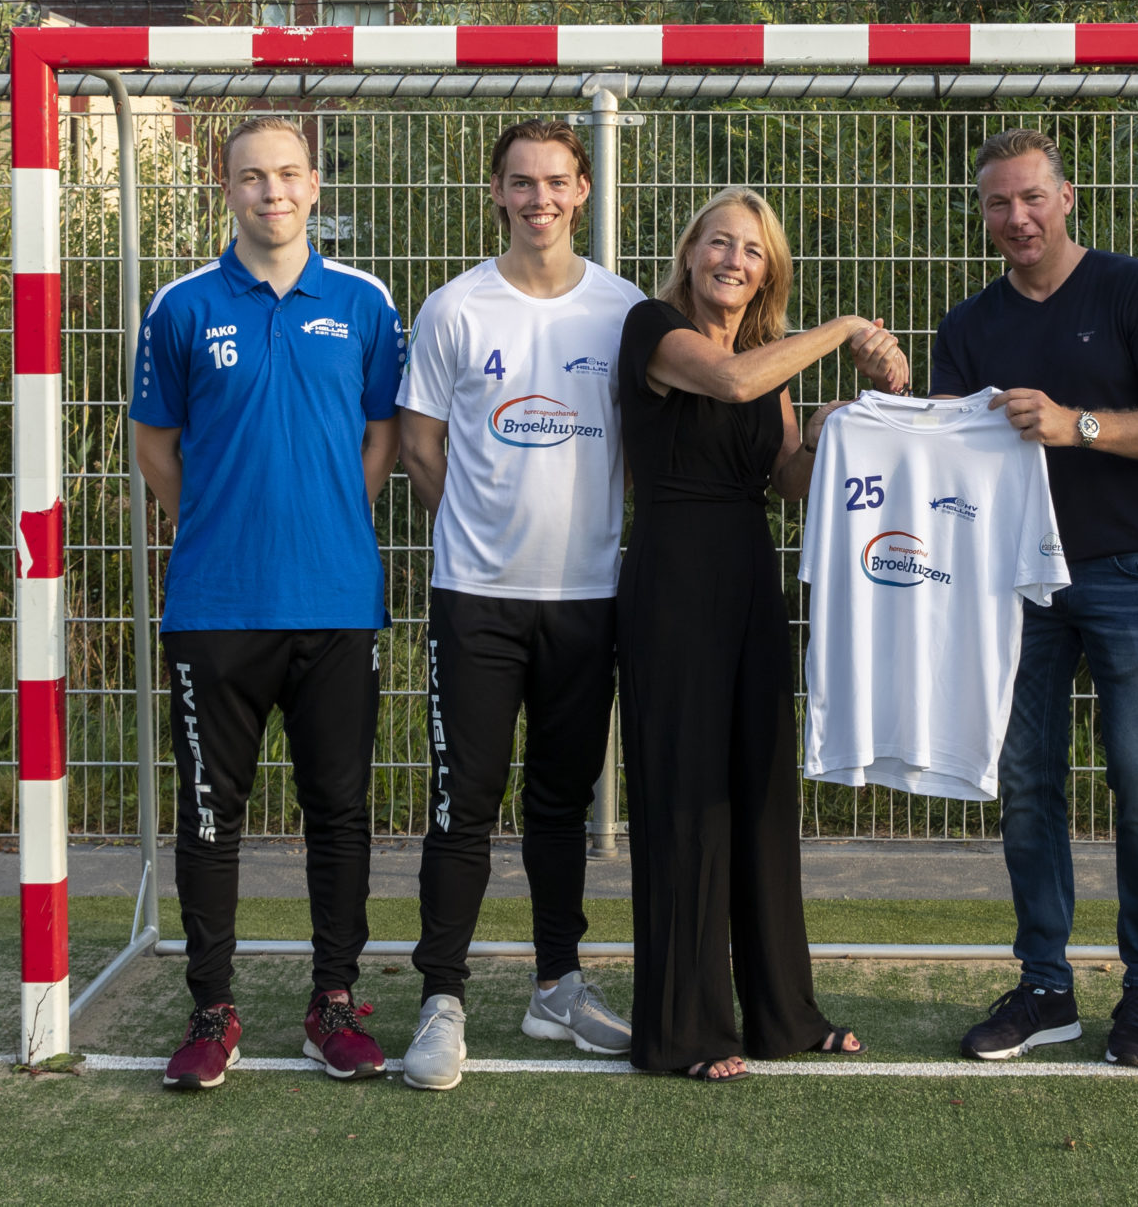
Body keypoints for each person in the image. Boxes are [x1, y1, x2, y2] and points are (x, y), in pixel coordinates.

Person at [131, 113, 406, 1089]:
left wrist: (331, 514)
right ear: (226, 189)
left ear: (316, 183)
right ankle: (211, 1010)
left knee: (338, 808)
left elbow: (382, 436)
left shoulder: (366, 304)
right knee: (212, 816)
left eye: (287, 174)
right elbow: (155, 445)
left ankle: (332, 1004)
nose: (271, 192)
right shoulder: (179, 307)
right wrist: (213, 521)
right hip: (216, 604)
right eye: (252, 177)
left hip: (336, 601)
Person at [930, 129, 1138, 1067]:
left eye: (1031, 198)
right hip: (1015, 582)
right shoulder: (968, 325)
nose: (1017, 217)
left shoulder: (1131, 289)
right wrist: (872, 409)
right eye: (998, 204)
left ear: (1068, 196)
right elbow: (942, 458)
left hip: (1129, 569)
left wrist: (1074, 424)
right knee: (1026, 787)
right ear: (982, 215)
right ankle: (1046, 985)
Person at [614, 186, 906, 1081]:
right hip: (670, 583)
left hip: (747, 579)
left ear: (766, 272)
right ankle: (683, 1029)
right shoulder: (651, 328)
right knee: (683, 799)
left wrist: (849, 420)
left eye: (753, 251)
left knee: (759, 796)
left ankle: (782, 1012)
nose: (734, 260)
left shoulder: (763, 361)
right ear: (691, 249)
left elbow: (792, 478)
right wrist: (847, 326)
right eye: (721, 243)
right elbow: (732, 381)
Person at [392, 119, 645, 1092]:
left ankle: (556, 988)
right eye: (520, 184)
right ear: (495, 192)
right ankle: (440, 1002)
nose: (539, 199)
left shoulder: (622, 312)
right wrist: (475, 531)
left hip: (586, 601)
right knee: (465, 804)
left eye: (556, 182)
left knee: (559, 804)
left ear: (582, 190)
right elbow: (419, 445)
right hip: (476, 601)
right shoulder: (456, 307)